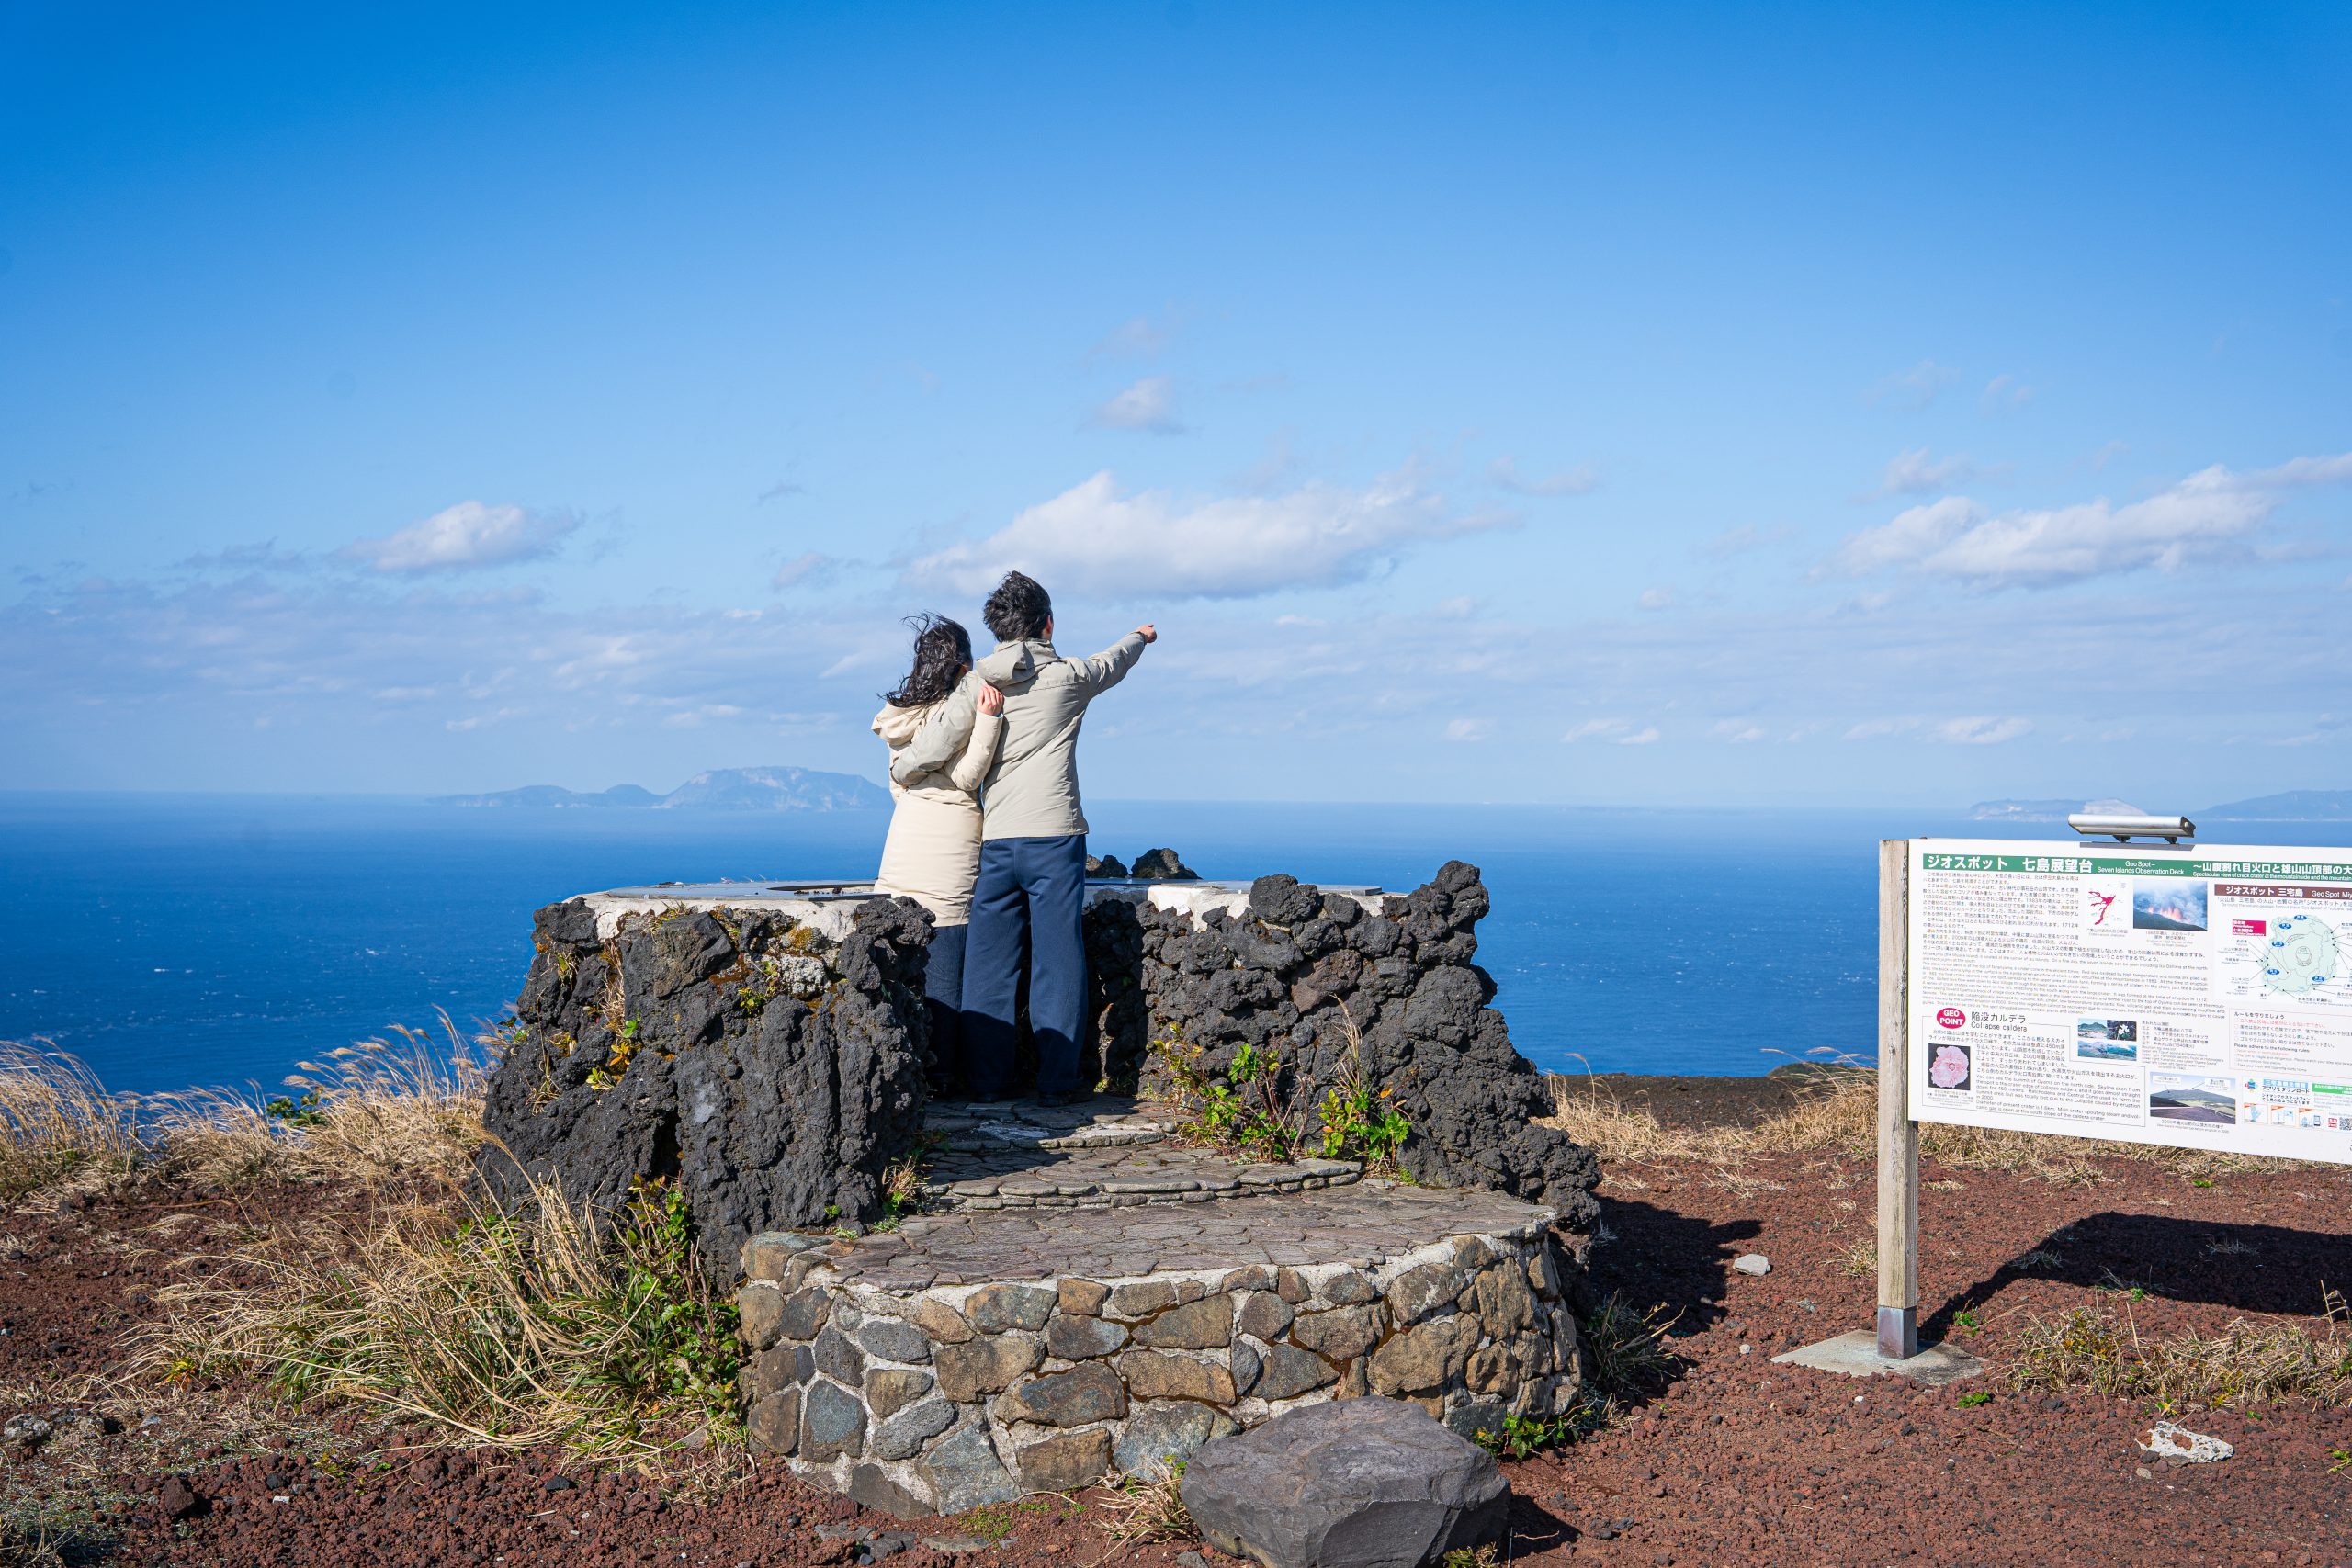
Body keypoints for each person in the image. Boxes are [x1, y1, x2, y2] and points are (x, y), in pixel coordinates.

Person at [890, 571, 1155, 1103]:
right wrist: (1140, 636)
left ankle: (988, 1083)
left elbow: (932, 747)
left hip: (997, 842)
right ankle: (1058, 1085)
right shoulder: (1071, 677)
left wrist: (902, 771)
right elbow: (1113, 662)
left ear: (998, 631)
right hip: (1055, 839)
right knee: (1058, 961)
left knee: (990, 966)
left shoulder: (977, 683)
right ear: (1048, 624)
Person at [870, 614, 1004, 1084]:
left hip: (903, 838)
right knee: (946, 971)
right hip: (951, 840)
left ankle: (900, 1077)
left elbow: (896, 782)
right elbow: (967, 779)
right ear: (965, 665)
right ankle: (944, 1080)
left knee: (898, 973)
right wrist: (988, 722)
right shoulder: (961, 710)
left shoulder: (900, 716)